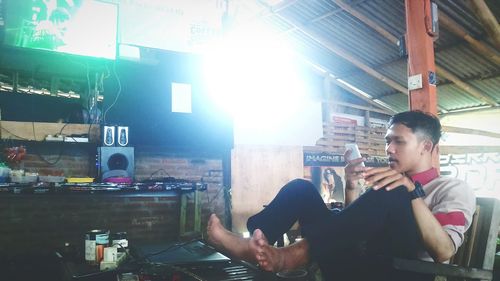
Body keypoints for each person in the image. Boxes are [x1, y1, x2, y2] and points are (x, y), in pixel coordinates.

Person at [207, 110, 476, 281]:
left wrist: (411, 192)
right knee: (302, 190)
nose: (389, 149)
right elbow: (352, 227)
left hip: (401, 271)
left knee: (393, 192)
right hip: (360, 261)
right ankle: (257, 243)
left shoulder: (452, 189)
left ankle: (290, 256)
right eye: (387, 141)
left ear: (426, 146)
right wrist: (350, 187)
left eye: (399, 142)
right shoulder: (390, 183)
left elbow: (444, 252)